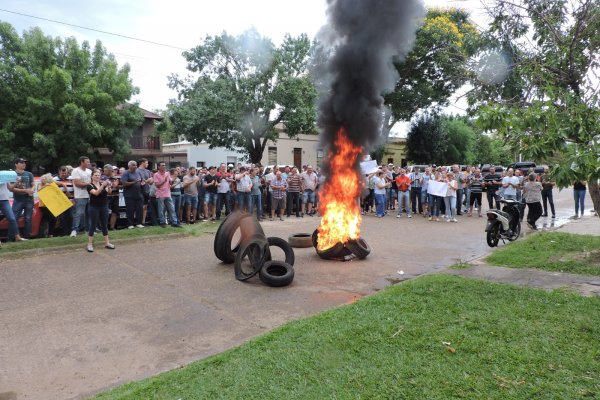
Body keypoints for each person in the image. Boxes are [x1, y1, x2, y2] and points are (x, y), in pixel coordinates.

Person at [86, 169, 115, 252]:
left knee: (104, 225)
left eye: (99, 175)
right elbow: (95, 193)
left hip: (104, 206)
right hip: (94, 207)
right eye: (96, 175)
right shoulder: (89, 185)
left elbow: (109, 192)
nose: (98, 176)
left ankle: (107, 243)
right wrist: (103, 186)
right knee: (93, 225)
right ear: (92, 176)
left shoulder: (103, 184)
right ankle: (89, 244)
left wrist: (109, 185)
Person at [9, 158, 35, 239]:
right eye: (21, 162)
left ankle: (27, 237)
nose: (24, 164)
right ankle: (11, 238)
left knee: (28, 219)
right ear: (16, 164)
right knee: (14, 218)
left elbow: (33, 185)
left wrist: (32, 190)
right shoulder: (12, 174)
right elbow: (12, 188)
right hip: (18, 199)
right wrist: (26, 190)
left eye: (24, 162)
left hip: (29, 199)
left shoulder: (29, 174)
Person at [70, 156, 92, 237]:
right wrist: (88, 184)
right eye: (87, 162)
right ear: (82, 162)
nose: (89, 163)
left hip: (89, 195)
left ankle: (88, 230)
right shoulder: (76, 171)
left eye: (89, 161)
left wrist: (85, 183)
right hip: (80, 196)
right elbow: (77, 184)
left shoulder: (89, 171)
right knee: (78, 214)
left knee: (89, 214)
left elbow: (90, 182)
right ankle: (74, 230)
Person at [154, 162, 181, 228]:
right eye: (162, 165)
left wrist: (174, 178)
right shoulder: (156, 174)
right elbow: (157, 185)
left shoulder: (167, 173)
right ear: (158, 167)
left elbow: (170, 182)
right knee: (161, 210)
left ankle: (174, 222)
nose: (164, 166)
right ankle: (162, 222)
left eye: (165, 165)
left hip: (168, 194)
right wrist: (164, 180)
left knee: (172, 208)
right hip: (160, 195)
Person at [120, 160, 145, 229]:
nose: (135, 166)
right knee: (130, 210)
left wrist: (142, 183)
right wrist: (134, 182)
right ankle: (130, 224)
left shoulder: (138, 173)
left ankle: (138, 223)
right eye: (133, 165)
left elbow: (141, 180)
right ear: (129, 166)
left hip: (139, 194)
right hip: (129, 195)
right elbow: (124, 183)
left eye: (136, 165)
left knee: (139, 209)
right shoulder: (126, 173)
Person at [137, 158, 153, 225]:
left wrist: (148, 181)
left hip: (147, 191)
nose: (147, 164)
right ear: (142, 163)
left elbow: (151, 182)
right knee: (140, 207)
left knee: (145, 206)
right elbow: (141, 182)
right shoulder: (137, 171)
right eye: (146, 163)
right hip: (139, 191)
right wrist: (147, 180)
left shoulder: (148, 171)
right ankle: (139, 221)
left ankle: (143, 221)